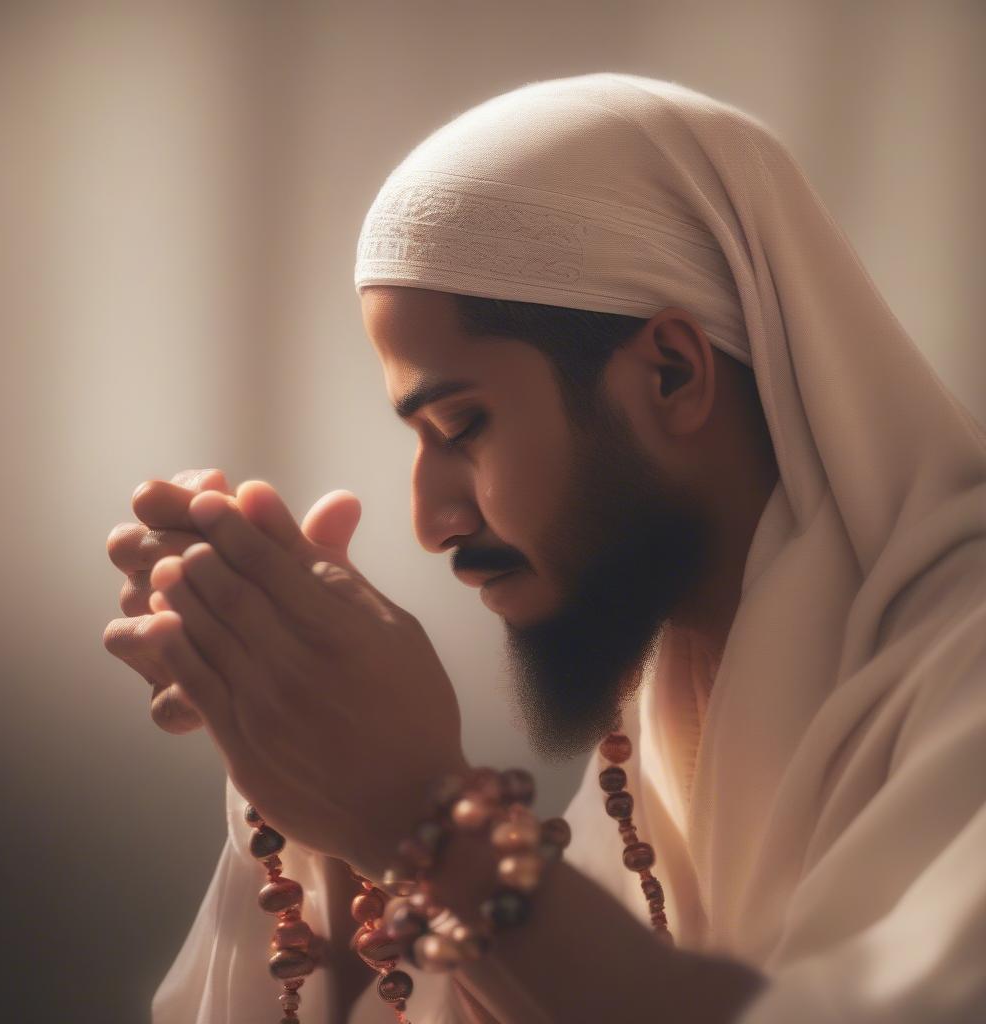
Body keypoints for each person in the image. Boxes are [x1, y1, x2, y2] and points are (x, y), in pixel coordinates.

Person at [104, 74, 986, 1022]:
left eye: (462, 424)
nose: (431, 519)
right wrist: (296, 714)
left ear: (671, 372)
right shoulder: (675, 706)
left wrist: (415, 809)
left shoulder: (959, 662)